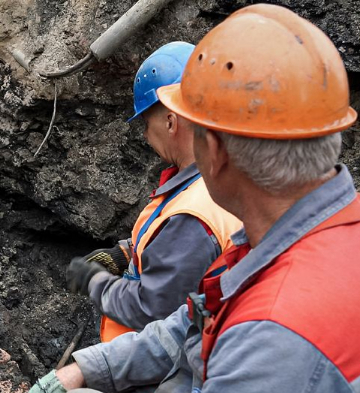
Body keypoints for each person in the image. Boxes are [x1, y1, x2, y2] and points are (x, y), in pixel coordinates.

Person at [15, 5, 360, 393]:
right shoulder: (299, 233)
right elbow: (182, 322)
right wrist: (85, 368)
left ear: (216, 152)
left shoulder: (284, 332)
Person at [66, 42, 240, 343]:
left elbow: (150, 308)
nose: (146, 136)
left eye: (146, 123)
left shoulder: (195, 212)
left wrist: (96, 283)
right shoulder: (214, 178)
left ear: (170, 121)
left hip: (153, 375)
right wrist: (125, 254)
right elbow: (169, 248)